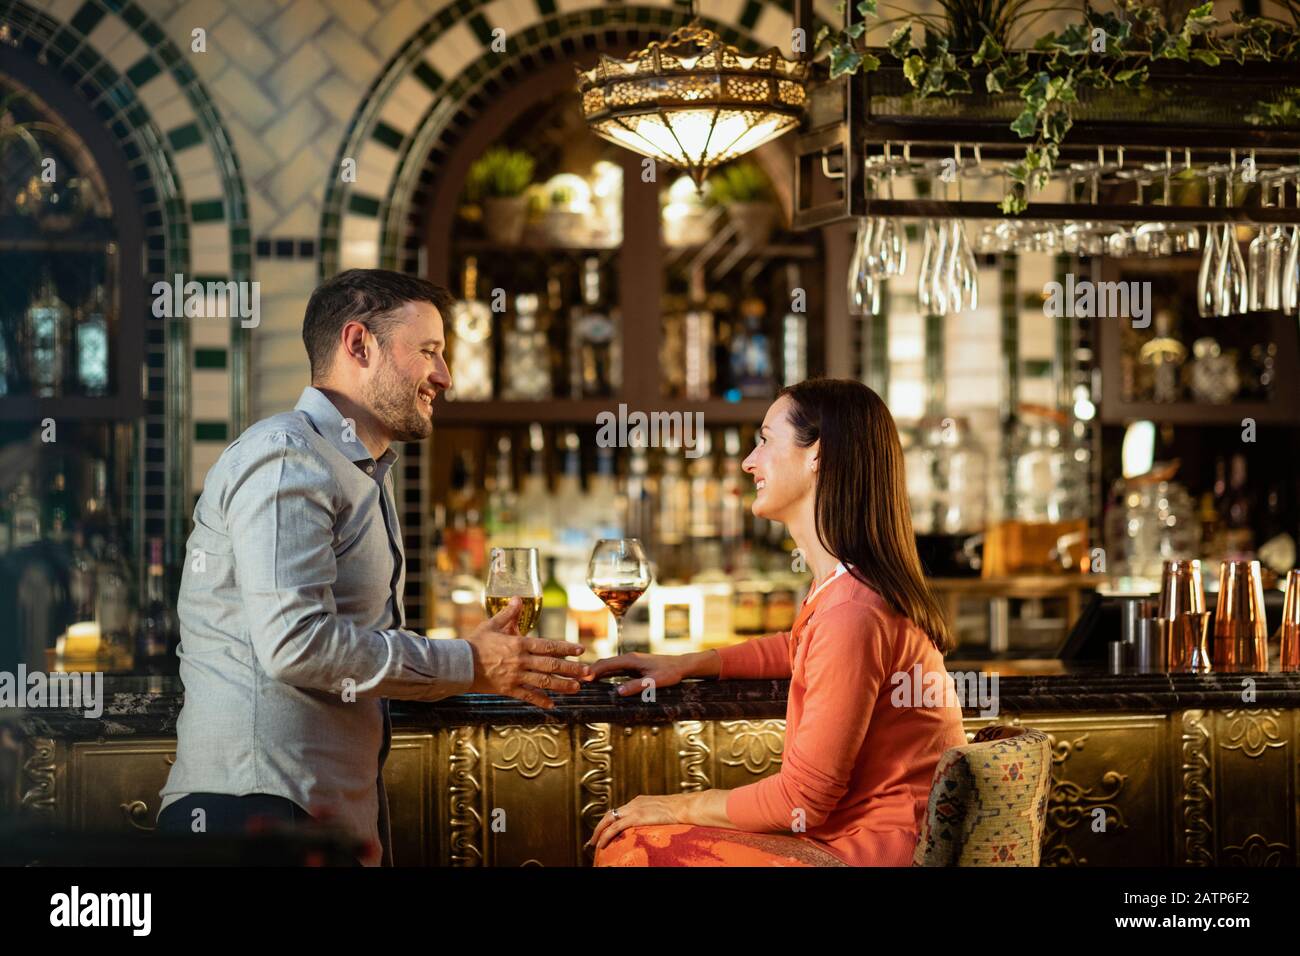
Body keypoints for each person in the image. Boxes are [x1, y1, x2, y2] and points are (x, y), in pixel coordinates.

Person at [157, 269, 587, 865]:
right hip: (254, 820)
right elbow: (295, 643)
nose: (445, 376)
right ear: (359, 344)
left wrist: (465, 663)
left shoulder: (355, 470)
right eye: (429, 352)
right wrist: (466, 662)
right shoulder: (288, 457)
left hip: (314, 821)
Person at [585, 378, 965, 866]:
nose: (749, 461)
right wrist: (689, 662)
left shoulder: (853, 610)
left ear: (817, 456)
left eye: (765, 439)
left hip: (870, 852)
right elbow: (797, 647)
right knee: (638, 839)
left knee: (633, 848)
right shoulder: (848, 591)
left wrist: (675, 806)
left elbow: (801, 800)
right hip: (863, 840)